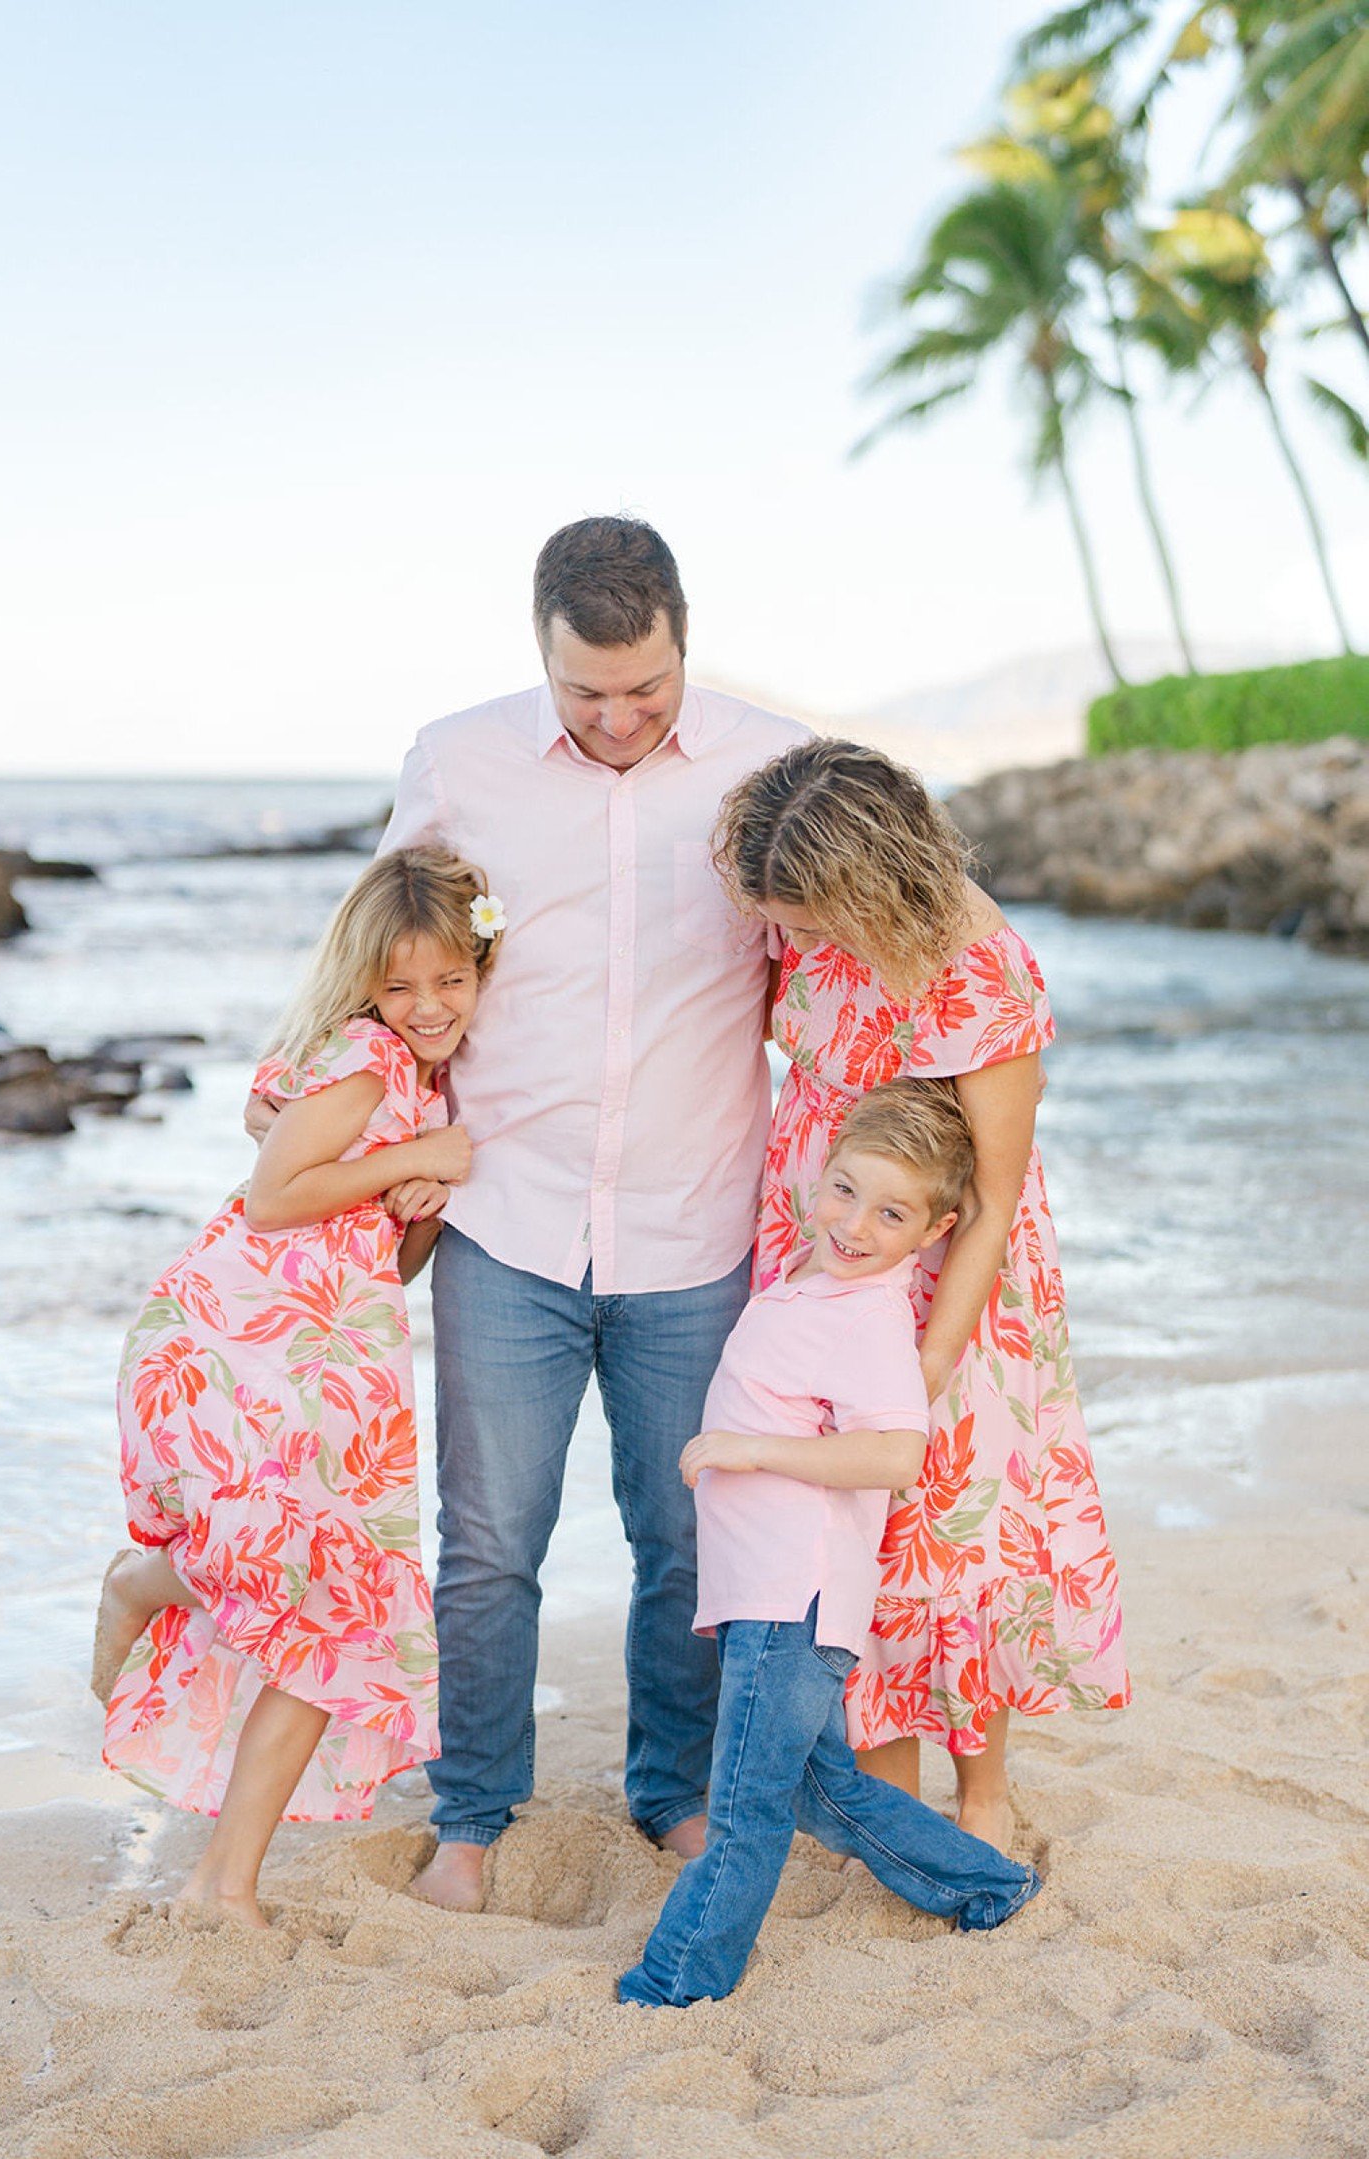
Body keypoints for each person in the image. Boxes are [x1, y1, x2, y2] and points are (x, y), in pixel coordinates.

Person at [368, 515, 811, 1910]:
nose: (618, 719)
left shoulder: (772, 763)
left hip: (698, 1224)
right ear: (541, 651)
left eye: (647, 690)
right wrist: (342, 1121)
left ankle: (671, 1788)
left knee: (684, 1537)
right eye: (586, 692)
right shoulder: (457, 757)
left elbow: (854, 960)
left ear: (686, 639)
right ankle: (473, 1813)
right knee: (491, 1542)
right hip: (509, 1217)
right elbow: (380, 959)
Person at [713, 737, 1128, 1853]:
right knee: (845, 1528)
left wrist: (926, 1364)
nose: (790, 937)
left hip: (947, 1282)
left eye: (805, 916)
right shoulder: (812, 918)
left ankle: (982, 1786)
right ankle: (888, 1788)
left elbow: (993, 1199)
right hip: (821, 1256)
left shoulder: (978, 970)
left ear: (867, 882)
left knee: (944, 1535)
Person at [94, 845, 497, 1927]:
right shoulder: (369, 1056)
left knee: (336, 1616)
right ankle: (150, 1579)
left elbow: (382, 1255)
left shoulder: (415, 1080)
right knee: (327, 1599)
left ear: (481, 964)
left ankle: (221, 1885)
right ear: (369, 983)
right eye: (402, 983)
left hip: (333, 1356)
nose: (426, 1004)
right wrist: (427, 1157)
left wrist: (422, 1194)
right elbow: (275, 1197)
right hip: (254, 1352)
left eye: (450, 979)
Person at [619, 1084, 1040, 2008]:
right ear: (822, 1171)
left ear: (934, 1230)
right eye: (845, 1190)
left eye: (891, 1212)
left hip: (791, 1594)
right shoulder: (814, 1288)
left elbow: (896, 1452)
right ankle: (989, 1883)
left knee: (742, 1801)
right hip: (769, 1592)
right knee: (823, 1789)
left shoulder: (866, 1319)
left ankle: (679, 1978)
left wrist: (752, 1448)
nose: (854, 1223)